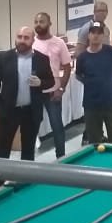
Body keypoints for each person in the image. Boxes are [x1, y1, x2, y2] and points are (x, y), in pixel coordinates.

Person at [0, 27, 55, 174]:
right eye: (19, 37)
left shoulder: (42, 59)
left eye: (26, 37)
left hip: (31, 112)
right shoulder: (4, 58)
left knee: (28, 150)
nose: (22, 40)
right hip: (8, 112)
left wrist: (41, 83)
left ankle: (26, 180)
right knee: (2, 149)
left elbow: (50, 81)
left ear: (33, 40)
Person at [75, 23, 112, 144]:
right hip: (91, 104)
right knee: (94, 138)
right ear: (88, 35)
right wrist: (91, 83)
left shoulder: (111, 51)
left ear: (103, 35)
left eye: (99, 33)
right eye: (93, 33)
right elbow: (78, 75)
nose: (96, 36)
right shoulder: (82, 57)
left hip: (111, 101)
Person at [32, 13, 72, 159]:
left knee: (56, 125)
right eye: (36, 22)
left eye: (42, 21)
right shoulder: (31, 42)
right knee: (32, 126)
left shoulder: (59, 43)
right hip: (34, 92)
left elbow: (67, 67)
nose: (38, 24)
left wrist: (61, 88)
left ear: (49, 23)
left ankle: (61, 157)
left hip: (53, 91)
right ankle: (29, 158)